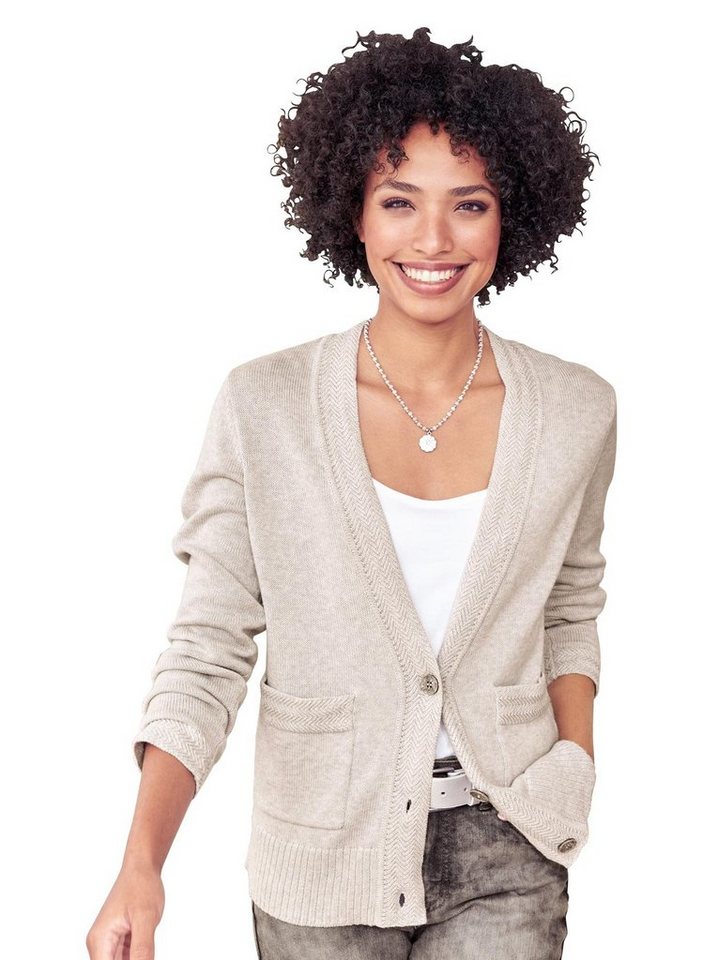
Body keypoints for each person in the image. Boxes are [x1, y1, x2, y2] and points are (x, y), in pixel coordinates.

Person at [87, 26, 617, 960]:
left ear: (513, 216)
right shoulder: (265, 405)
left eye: (470, 204)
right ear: (355, 214)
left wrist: (572, 762)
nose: (433, 239)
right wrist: (141, 865)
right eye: (399, 201)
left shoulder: (577, 409)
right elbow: (209, 646)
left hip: (511, 838)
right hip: (319, 855)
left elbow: (570, 602)